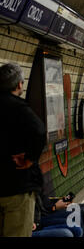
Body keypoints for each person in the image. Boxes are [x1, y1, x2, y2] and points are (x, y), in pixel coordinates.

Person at [0, 63, 47, 237]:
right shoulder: (19, 108)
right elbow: (39, 131)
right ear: (19, 84)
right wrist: (29, 159)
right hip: (17, 186)